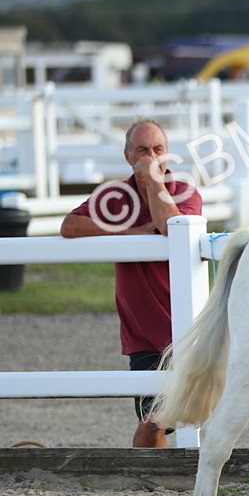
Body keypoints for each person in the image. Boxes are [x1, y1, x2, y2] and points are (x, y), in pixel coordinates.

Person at [60, 118, 203, 448]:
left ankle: (189, 478)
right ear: (127, 155)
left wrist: (152, 181)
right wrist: (127, 233)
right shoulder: (116, 197)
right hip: (142, 330)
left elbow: (170, 225)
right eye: (142, 150)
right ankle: (146, 482)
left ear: (168, 155)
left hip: (191, 324)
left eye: (158, 150)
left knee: (196, 414)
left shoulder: (184, 191)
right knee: (153, 419)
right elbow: (69, 226)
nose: (151, 157)